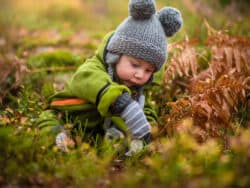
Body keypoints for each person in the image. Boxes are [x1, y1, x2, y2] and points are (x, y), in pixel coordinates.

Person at [37, 0, 183, 155]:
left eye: (148, 70)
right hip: (68, 115)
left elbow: (144, 107)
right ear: (115, 56)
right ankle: (58, 136)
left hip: (97, 131)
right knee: (49, 119)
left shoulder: (136, 88)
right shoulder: (95, 68)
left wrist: (147, 129)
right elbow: (85, 79)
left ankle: (115, 146)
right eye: (134, 65)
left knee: (122, 136)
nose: (140, 74)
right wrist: (120, 101)